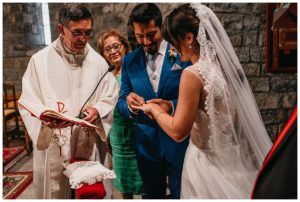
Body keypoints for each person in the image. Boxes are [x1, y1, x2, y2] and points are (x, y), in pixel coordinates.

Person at [134, 4, 273, 199]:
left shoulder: (192, 74)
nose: (173, 48)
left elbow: (178, 131)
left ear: (189, 38)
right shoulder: (229, 69)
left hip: (206, 165)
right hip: (234, 161)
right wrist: (170, 105)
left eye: (174, 41)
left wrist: (155, 110)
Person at [18, 4, 118, 199]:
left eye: (88, 33)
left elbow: (110, 95)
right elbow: (28, 99)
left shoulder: (98, 62)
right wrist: (44, 119)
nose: (83, 39)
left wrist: (97, 110)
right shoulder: (39, 61)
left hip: (87, 143)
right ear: (60, 29)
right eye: (77, 32)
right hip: (54, 145)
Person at [117, 3, 191, 199]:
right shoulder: (129, 61)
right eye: (140, 36)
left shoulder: (181, 54)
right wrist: (130, 105)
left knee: (182, 194)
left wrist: (171, 105)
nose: (146, 41)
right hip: (146, 144)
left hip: (179, 141)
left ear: (160, 28)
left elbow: (195, 96)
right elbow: (122, 101)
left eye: (151, 34)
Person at [97, 30, 144, 198]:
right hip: (117, 137)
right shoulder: (106, 76)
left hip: (136, 134)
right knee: (123, 185)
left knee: (144, 183)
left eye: (116, 46)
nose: (112, 52)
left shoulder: (136, 70)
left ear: (125, 46)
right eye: (107, 49)